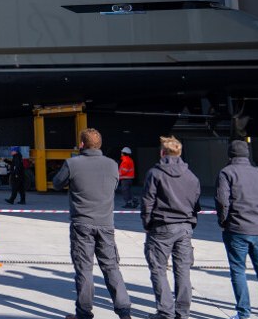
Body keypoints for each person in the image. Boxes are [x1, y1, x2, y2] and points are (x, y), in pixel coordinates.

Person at [53, 128, 132, 319]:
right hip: (106, 224)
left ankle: (84, 313)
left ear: (81, 144)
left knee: (84, 269)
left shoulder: (73, 163)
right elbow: (113, 187)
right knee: (111, 268)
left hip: (82, 224)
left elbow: (56, 183)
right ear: (100, 145)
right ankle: (124, 312)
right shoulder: (113, 165)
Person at [141, 136, 200, 319]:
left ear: (162, 153)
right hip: (185, 227)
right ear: (179, 152)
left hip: (162, 227)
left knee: (158, 269)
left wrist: (147, 223)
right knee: (182, 270)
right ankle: (183, 313)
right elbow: (196, 204)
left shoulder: (155, 173)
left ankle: (165, 311)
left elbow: (147, 202)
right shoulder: (191, 176)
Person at [216, 139, 258, 319]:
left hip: (237, 229)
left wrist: (223, 221)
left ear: (230, 155)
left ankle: (243, 313)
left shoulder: (226, 172)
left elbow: (222, 201)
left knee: (238, 271)